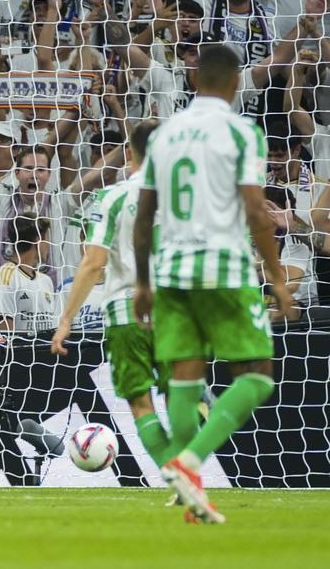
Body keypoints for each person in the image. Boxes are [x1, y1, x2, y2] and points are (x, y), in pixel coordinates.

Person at [131, 44, 298, 524]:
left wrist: (143, 283)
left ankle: (189, 494)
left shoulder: (164, 136)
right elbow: (255, 211)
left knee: (185, 380)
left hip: (172, 273)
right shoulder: (242, 131)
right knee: (256, 375)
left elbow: (146, 218)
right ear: (235, 81)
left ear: (195, 79)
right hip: (223, 270)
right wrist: (276, 276)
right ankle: (187, 462)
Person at [51, 120, 176, 471]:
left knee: (141, 404)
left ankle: (176, 474)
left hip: (126, 313)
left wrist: (65, 321)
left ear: (128, 153)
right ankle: (193, 446)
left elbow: (93, 264)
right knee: (182, 397)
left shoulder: (112, 197)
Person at [0, 215, 57, 333]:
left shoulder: (46, 280)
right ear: (38, 240)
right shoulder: (5, 276)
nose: (49, 246)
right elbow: (7, 334)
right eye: (47, 240)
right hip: (17, 350)